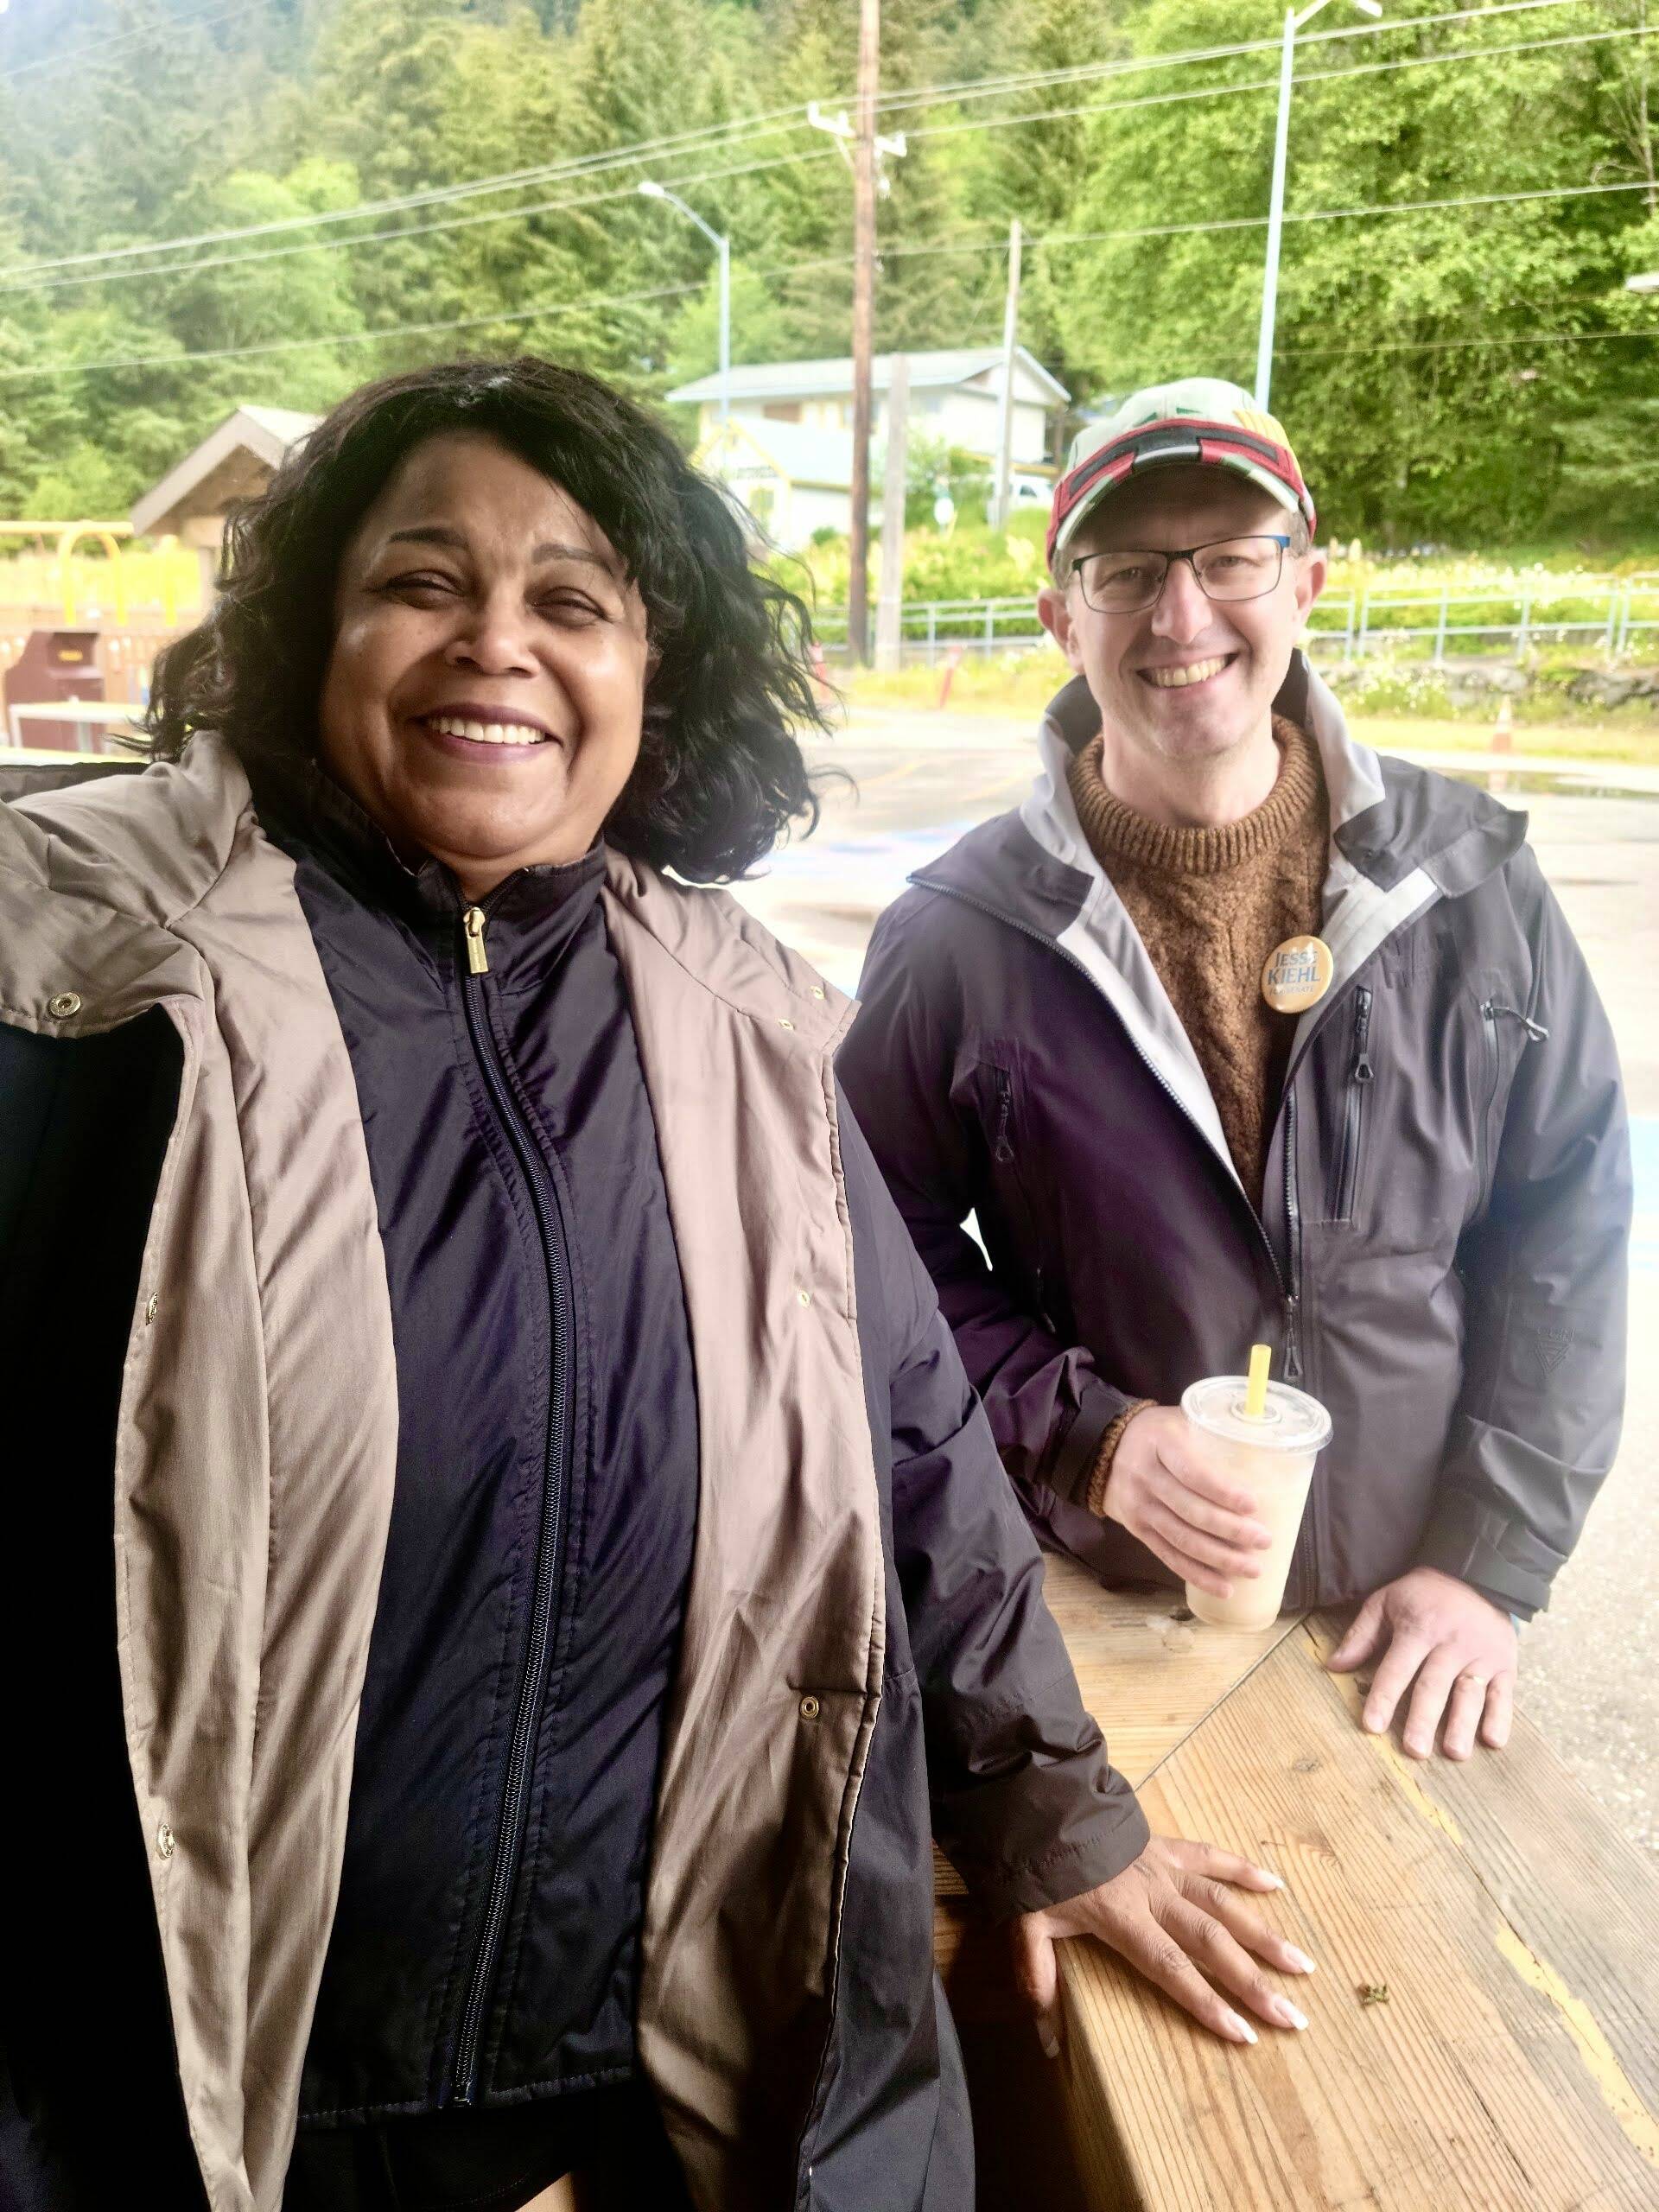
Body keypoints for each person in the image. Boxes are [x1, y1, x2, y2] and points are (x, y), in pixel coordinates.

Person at [0, 359, 1316, 2212]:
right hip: (210, 2098)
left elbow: (913, 1439)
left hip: (667, 2070)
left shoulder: (741, 1020)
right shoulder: (90, 973)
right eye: (422, 581)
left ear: (651, 669)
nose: (497, 647)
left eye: (572, 602)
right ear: (315, 628)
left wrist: (1051, 1807)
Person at [842, 376, 1631, 1773]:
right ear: (1058, 613)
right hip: (1092, 1610)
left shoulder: (1468, 883)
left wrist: (1490, 1565)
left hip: (1412, 1637)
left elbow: (1564, 1224)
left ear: (1307, 580)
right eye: (1129, 571)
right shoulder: (961, 933)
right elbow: (859, 1247)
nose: (1182, 615)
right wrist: (1090, 1438)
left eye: (1229, 559)